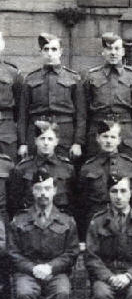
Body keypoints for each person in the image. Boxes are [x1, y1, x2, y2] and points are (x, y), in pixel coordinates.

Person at [7, 168, 79, 299]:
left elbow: (72, 253)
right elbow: (13, 253)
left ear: (54, 191)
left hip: (56, 272)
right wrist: (32, 268)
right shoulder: (19, 220)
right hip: (27, 272)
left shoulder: (67, 220)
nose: (43, 193)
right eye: (38, 188)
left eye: (47, 188)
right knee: (24, 294)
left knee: (62, 293)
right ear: (32, 191)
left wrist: (51, 267)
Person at [18, 33, 85, 160]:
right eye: (46, 49)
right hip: (37, 132)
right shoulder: (31, 78)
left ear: (61, 52)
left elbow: (81, 115)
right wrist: (23, 143)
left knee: (64, 171)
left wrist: (78, 142)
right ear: (41, 52)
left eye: (54, 49)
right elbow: (22, 115)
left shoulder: (73, 78)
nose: (50, 53)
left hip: (65, 133)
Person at [84, 32, 132, 159]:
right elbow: (85, 108)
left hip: (125, 131)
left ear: (123, 51)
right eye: (109, 48)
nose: (113, 53)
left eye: (117, 48)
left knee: (127, 169)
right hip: (99, 129)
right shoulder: (92, 76)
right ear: (103, 52)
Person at [79, 121, 132, 236]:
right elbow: (82, 201)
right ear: (97, 138)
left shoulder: (130, 166)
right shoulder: (88, 167)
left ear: (119, 139)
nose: (108, 141)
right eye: (105, 136)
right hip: (96, 222)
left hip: (125, 223)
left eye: (112, 137)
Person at [10, 121, 75, 214]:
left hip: (60, 221)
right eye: (42, 138)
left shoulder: (67, 168)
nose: (46, 143)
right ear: (35, 140)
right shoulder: (23, 168)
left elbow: (75, 201)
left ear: (56, 141)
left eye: (50, 139)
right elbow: (14, 202)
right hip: (30, 221)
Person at [0, 31, 22, 161]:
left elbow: (20, 106)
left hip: (6, 128)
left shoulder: (12, 72)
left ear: (2, 45)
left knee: (9, 168)